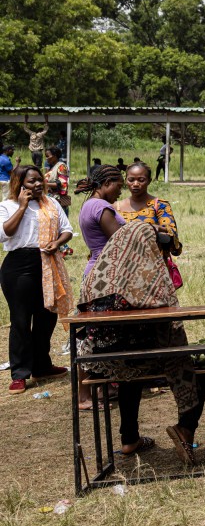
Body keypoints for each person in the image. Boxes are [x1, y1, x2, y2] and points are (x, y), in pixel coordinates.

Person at [75, 221, 205, 464]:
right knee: (202, 365)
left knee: (130, 368)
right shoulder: (145, 278)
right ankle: (186, 427)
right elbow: (167, 313)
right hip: (138, 360)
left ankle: (129, 439)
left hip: (101, 362)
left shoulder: (97, 277)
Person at [0, 165, 73, 394]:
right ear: (19, 183)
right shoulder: (7, 205)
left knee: (46, 315)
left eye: (39, 180)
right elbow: (5, 233)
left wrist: (58, 242)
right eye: (31, 182)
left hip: (47, 262)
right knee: (21, 320)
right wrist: (22, 206)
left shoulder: (52, 203)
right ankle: (20, 373)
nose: (38, 185)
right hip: (19, 266)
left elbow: (67, 229)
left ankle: (42, 366)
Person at [115, 162, 183, 283]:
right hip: (123, 269)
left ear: (149, 181)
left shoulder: (160, 205)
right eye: (131, 180)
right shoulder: (116, 207)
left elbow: (171, 236)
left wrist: (145, 230)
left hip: (154, 270)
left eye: (141, 180)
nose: (135, 184)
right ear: (126, 180)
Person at [76, 165, 126, 279]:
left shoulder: (89, 204)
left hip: (95, 270)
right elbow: (121, 241)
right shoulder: (100, 206)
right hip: (105, 273)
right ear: (107, 182)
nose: (120, 192)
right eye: (119, 187)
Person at [43, 147, 71, 211]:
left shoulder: (61, 166)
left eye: (48, 156)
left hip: (58, 202)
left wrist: (45, 184)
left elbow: (63, 184)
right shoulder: (53, 167)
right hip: (51, 200)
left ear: (55, 156)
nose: (46, 158)